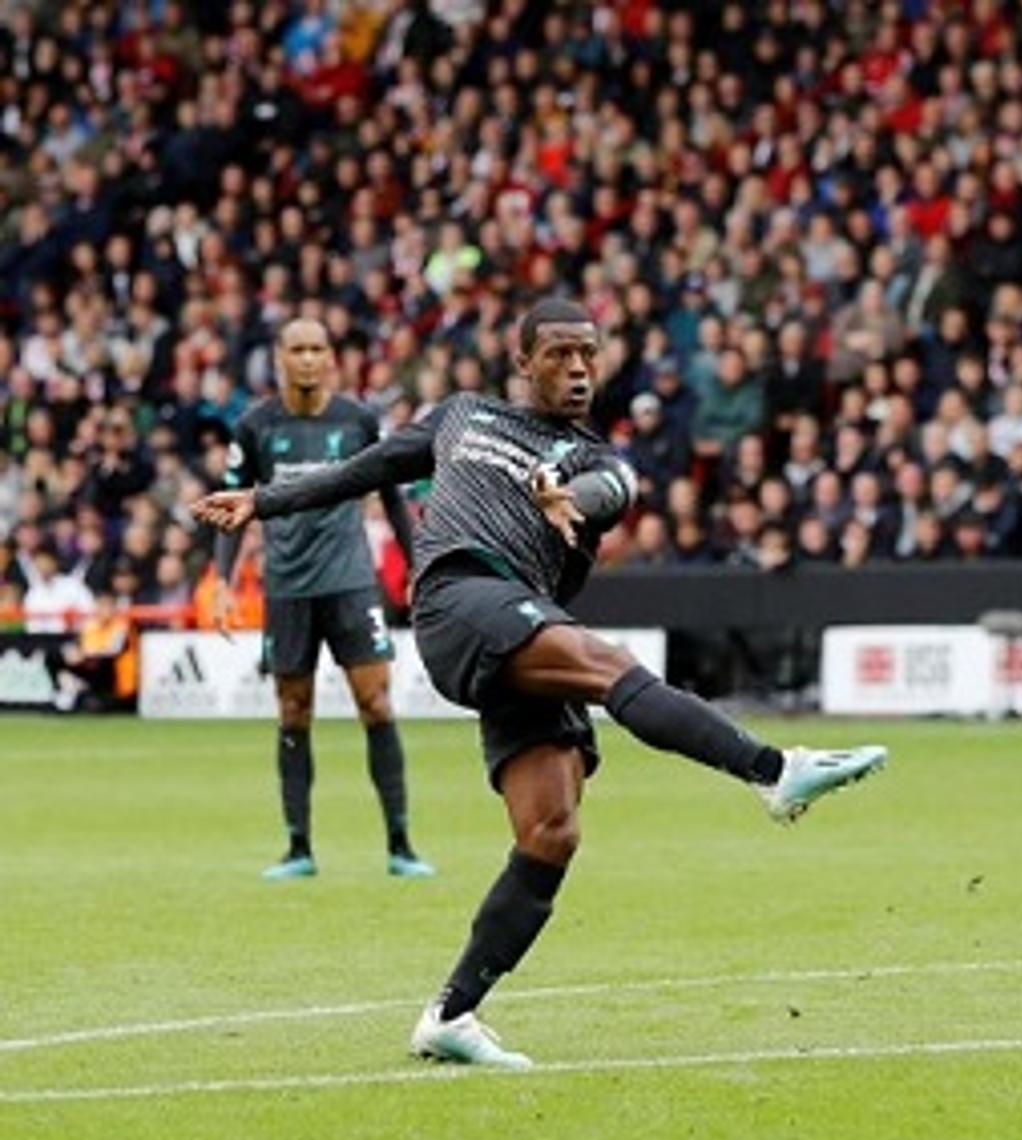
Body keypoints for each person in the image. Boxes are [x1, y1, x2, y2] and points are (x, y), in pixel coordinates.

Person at [193, 299, 887, 1069]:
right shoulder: (461, 416)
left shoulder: (596, 459)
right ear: (522, 362)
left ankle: (451, 1015)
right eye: (559, 354)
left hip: (519, 623)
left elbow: (611, 493)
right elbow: (370, 469)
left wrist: (570, 498)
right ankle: (774, 771)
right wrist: (262, 501)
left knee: (551, 829)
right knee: (610, 668)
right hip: (462, 598)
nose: (580, 369)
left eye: (589, 355)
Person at [218, 318, 433, 881]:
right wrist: (221, 582)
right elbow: (232, 510)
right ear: (280, 358)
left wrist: (416, 563)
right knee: (293, 711)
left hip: (350, 580)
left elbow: (389, 492)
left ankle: (401, 845)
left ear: (332, 358)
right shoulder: (254, 426)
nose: (308, 359)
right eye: (298, 349)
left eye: (318, 349)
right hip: (287, 585)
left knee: (377, 704)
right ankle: (298, 849)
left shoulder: (357, 419)